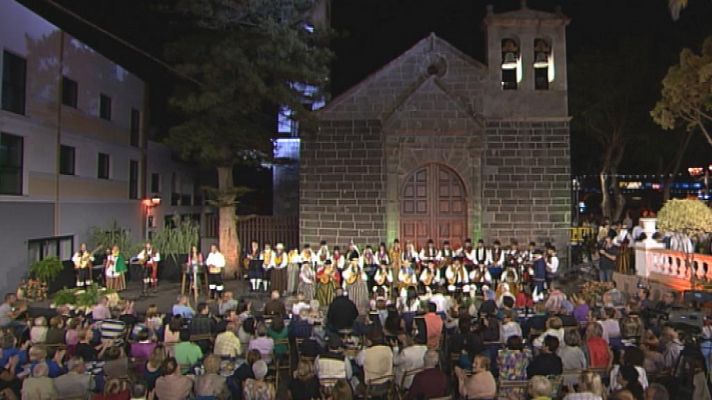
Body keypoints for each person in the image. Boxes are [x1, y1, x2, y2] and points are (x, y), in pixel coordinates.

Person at [356, 329, 393, 394]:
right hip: (387, 384)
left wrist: (362, 348)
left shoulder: (365, 352)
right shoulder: (388, 349)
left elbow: (359, 363)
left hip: (371, 386)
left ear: (370, 341)